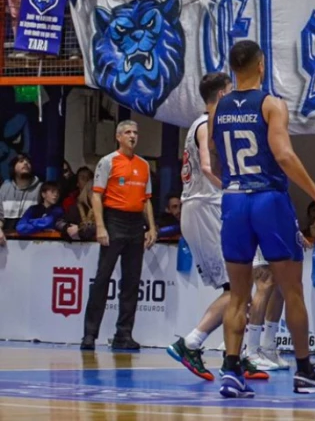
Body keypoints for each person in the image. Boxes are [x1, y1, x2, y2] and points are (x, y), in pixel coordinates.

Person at [211, 40, 315, 398]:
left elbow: (217, 159)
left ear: (233, 68)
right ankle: (305, 371)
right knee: (291, 289)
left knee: (238, 295)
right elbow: (283, 155)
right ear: (261, 65)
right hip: (268, 198)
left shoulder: (219, 109)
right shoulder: (271, 104)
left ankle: (232, 372)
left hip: (233, 199)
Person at [167, 73, 267, 382]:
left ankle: (233, 356)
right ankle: (191, 342)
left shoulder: (206, 124)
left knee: (239, 287)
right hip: (204, 206)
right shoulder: (205, 124)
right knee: (238, 288)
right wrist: (234, 189)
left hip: (203, 207)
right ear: (222, 94)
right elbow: (209, 168)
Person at [81, 120, 157, 351]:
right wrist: (101, 227)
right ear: (118, 137)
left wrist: (151, 227)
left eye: (135, 132)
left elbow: (146, 200)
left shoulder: (144, 165)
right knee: (102, 278)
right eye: (127, 132)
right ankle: (90, 335)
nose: (132, 136)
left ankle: (124, 334)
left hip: (135, 224)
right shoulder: (108, 162)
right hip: (114, 220)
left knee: (132, 282)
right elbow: (96, 196)